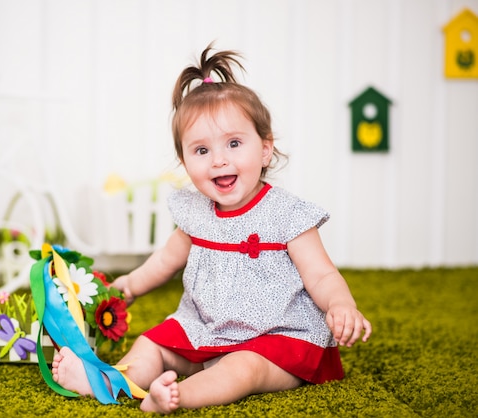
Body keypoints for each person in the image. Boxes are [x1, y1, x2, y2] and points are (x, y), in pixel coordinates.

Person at [51, 43, 372, 414]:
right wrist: (127, 287)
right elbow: (163, 262)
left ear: (265, 150)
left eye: (234, 143)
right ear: (185, 160)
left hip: (277, 341)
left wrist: (340, 303)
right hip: (206, 328)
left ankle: (174, 397)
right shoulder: (196, 214)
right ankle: (106, 382)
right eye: (201, 150)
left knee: (243, 367)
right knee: (153, 343)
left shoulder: (286, 214)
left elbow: (321, 274)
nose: (219, 160)